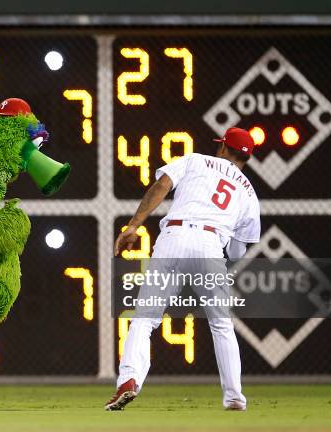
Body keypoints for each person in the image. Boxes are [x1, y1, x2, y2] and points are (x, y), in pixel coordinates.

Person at [105, 127, 261, 411]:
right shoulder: (249, 193)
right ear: (245, 158)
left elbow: (162, 185)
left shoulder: (196, 160)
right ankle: (234, 396)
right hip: (211, 243)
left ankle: (129, 380)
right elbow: (238, 250)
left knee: (144, 319)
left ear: (224, 148)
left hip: (174, 238)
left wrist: (135, 225)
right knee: (222, 325)